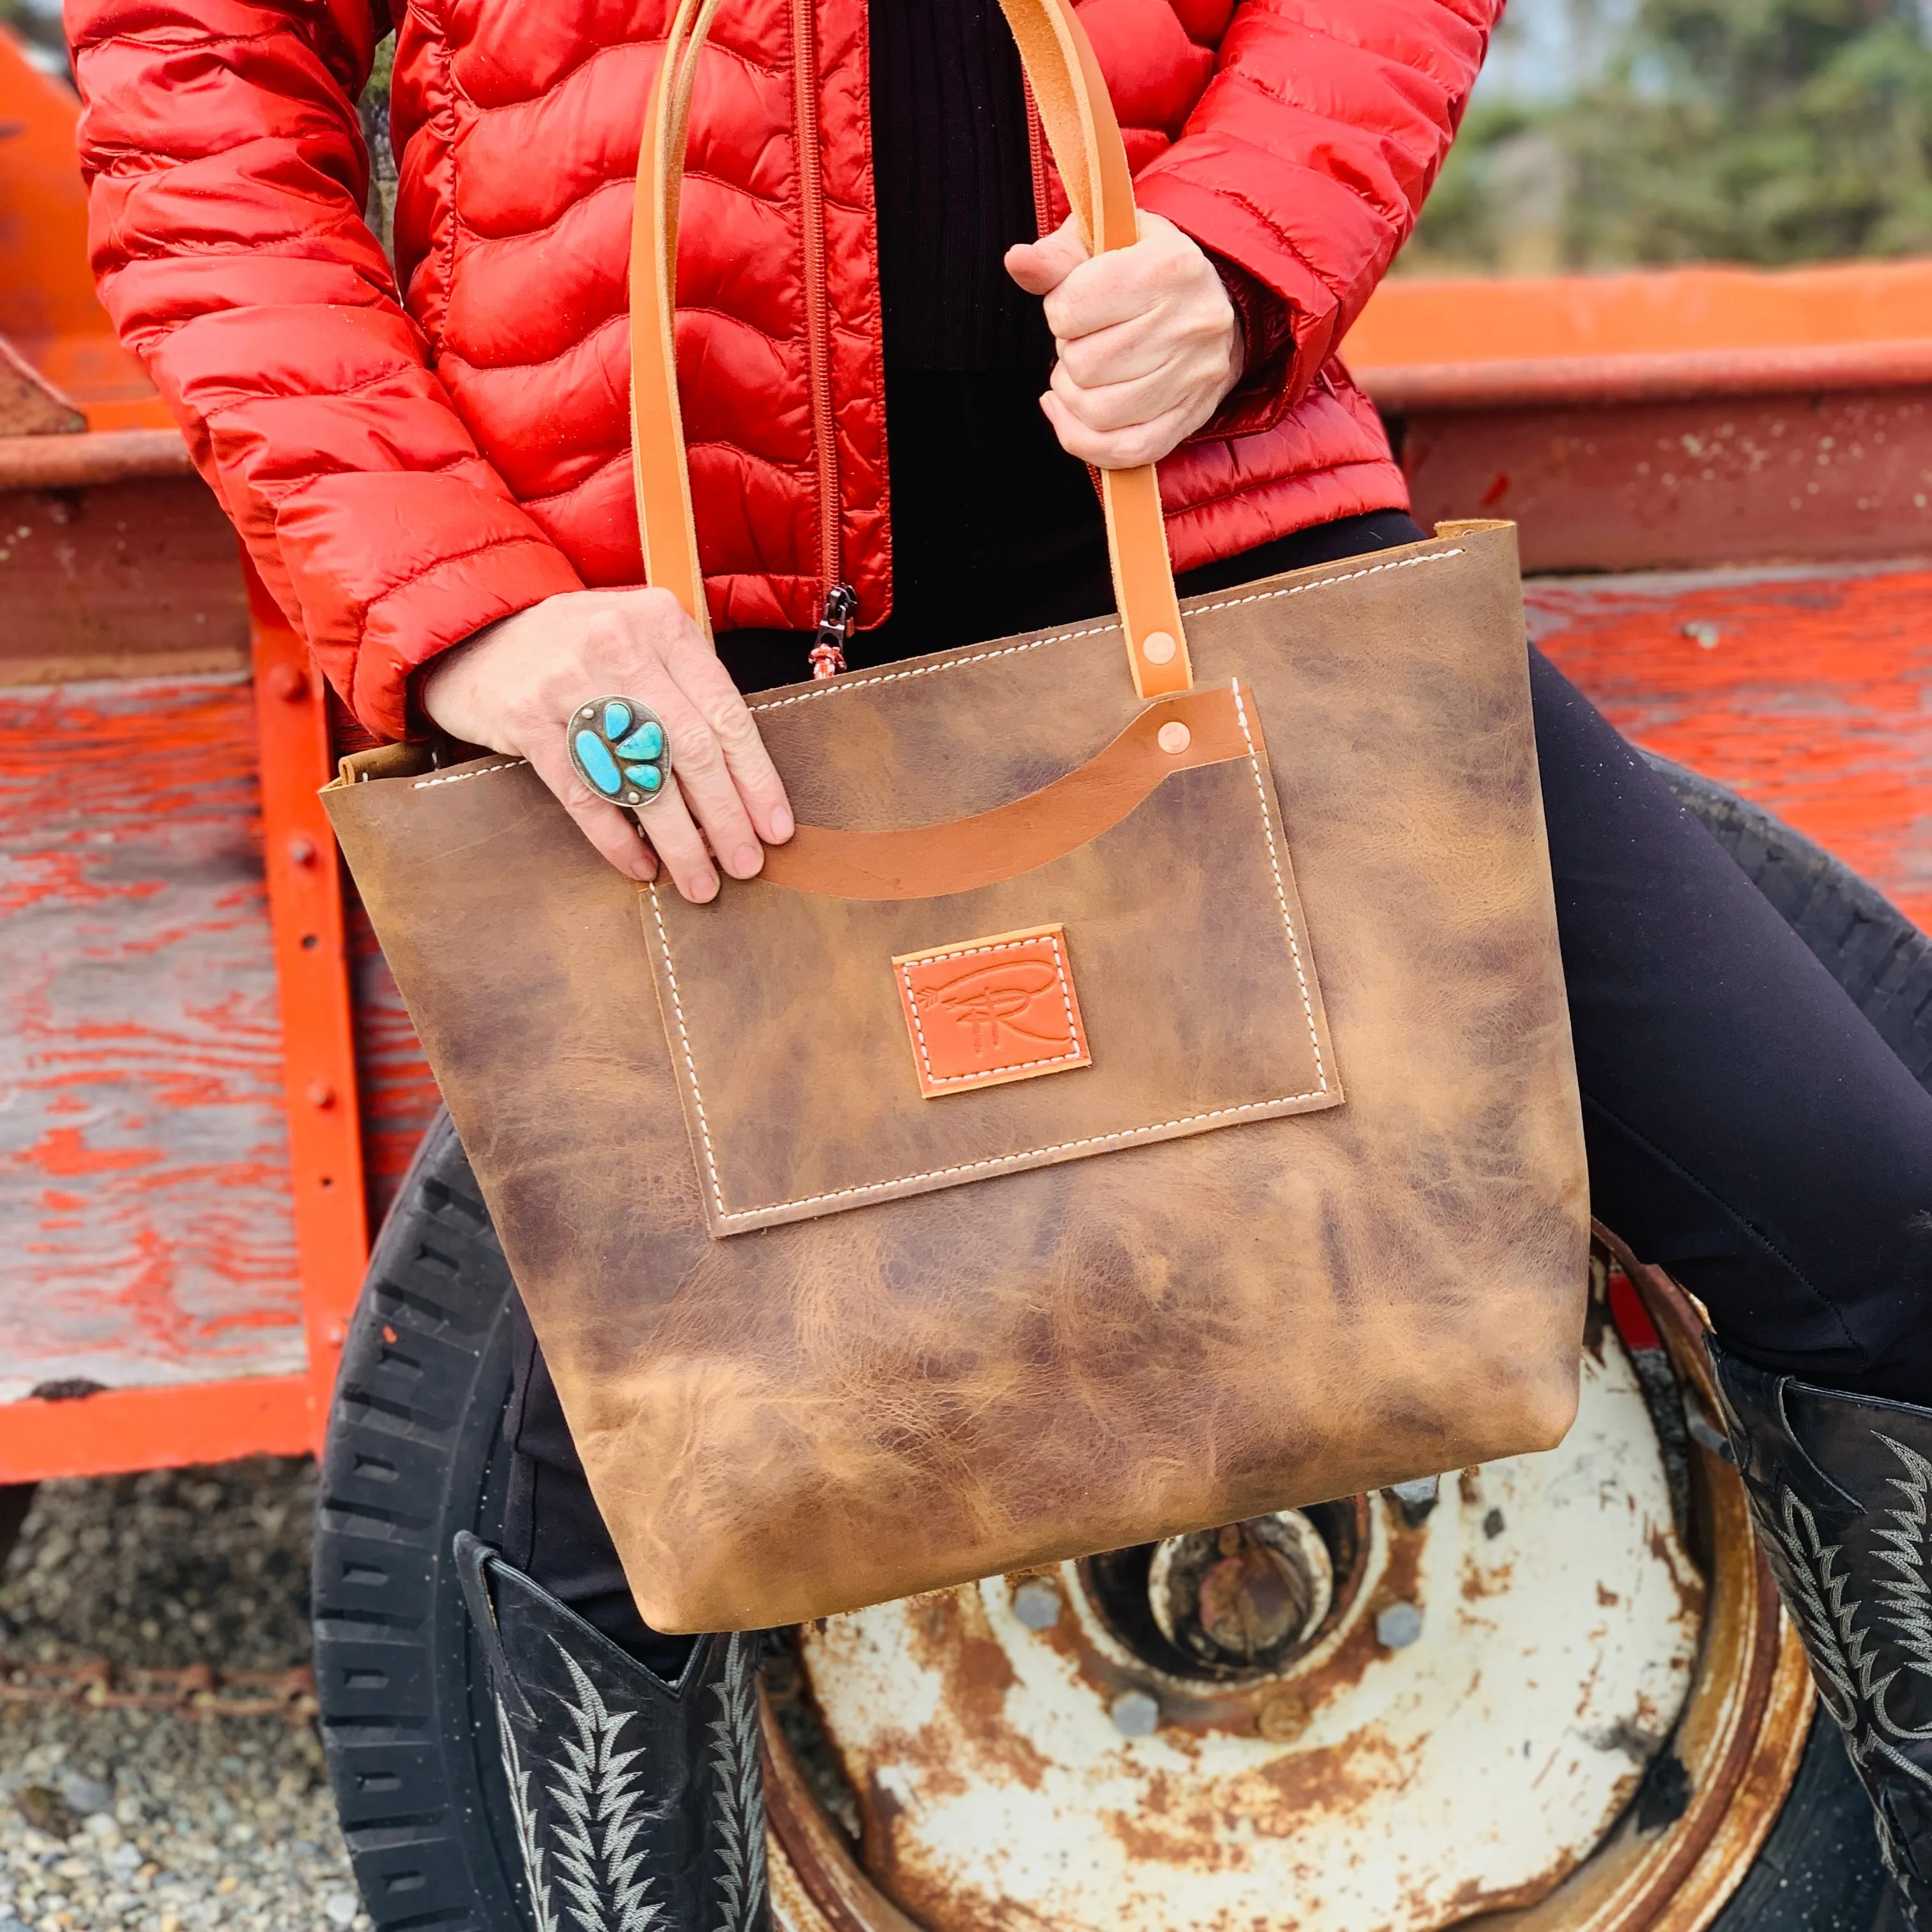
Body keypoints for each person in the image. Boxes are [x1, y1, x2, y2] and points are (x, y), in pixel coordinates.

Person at [69, 0, 1931, 1923]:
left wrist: (1244, 251)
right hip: (667, 665)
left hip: (1210, 544)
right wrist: (463, 607)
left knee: (1873, 1227)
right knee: (588, 1518)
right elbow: (193, 94)